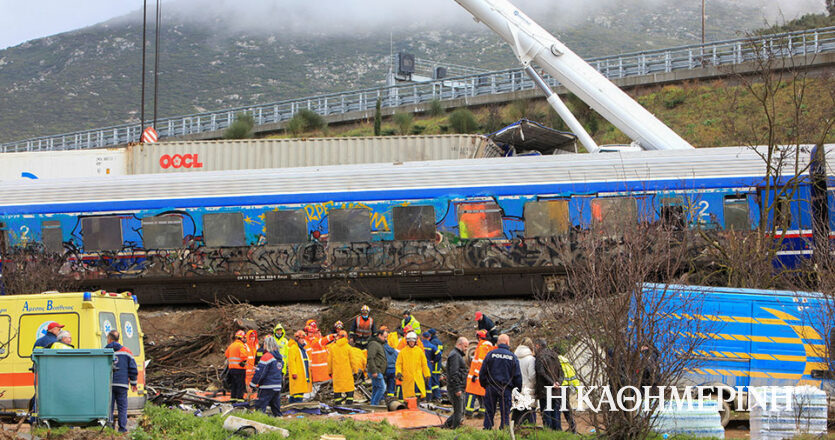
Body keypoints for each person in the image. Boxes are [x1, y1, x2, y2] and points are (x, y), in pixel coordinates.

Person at [479, 334, 522, 431]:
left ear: (498, 342)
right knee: (505, 411)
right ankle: (504, 429)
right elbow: (517, 376)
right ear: (507, 342)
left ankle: (487, 428)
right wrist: (517, 390)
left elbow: (482, 372)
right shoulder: (512, 357)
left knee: (489, 410)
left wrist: (485, 385)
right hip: (506, 388)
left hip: (491, 387)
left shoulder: (490, 354)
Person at [105, 330, 138, 433]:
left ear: (109, 339)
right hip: (122, 384)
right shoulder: (127, 352)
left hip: (109, 384)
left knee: (108, 407)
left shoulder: (104, 351)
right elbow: (133, 368)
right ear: (118, 339)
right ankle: (122, 428)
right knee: (122, 407)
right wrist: (133, 383)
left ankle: (109, 428)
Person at [534, 339, 569, 432]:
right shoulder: (554, 355)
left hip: (544, 390)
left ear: (538, 346)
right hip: (556, 390)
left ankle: (549, 434)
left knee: (546, 414)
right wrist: (558, 383)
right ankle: (558, 434)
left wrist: (551, 383)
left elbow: (540, 372)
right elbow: (561, 372)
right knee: (556, 414)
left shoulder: (540, 357)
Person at [250, 335, 284, 416]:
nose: (263, 346)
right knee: (276, 408)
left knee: (260, 407)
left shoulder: (266, 356)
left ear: (267, 344)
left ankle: (259, 423)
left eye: (264, 344)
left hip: (267, 386)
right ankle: (279, 422)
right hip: (277, 386)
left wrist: (252, 385)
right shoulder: (279, 358)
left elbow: (260, 373)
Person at [465, 329, 494, 417]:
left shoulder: (482, 347)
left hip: (477, 376)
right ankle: (482, 412)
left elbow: (480, 362)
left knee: (471, 393)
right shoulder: (488, 347)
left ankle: (468, 412)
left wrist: (475, 375)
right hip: (484, 376)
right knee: (482, 394)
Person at [442, 337, 469, 429]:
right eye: (465, 346)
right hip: (456, 388)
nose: (466, 348)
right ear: (459, 344)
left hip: (458, 387)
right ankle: (455, 429)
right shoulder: (455, 356)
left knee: (460, 410)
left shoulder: (457, 355)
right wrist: (457, 388)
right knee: (459, 411)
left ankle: (445, 427)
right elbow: (454, 373)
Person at [395, 332, 430, 400]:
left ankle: (419, 404)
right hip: (407, 377)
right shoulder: (403, 352)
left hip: (418, 377)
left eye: (413, 341)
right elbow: (399, 364)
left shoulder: (419, 351)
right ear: (407, 342)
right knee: (408, 396)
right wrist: (398, 373)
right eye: (410, 341)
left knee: (419, 394)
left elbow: (424, 364)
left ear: (415, 341)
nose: (411, 343)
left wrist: (427, 375)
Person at [328, 330, 359, 404]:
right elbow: (353, 361)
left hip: (337, 373)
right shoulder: (348, 347)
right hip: (347, 373)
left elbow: (330, 361)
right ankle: (349, 404)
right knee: (349, 389)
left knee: (337, 390)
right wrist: (356, 371)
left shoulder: (333, 348)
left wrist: (330, 372)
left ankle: (338, 405)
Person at [512, 337, 537, 425]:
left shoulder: (514, 357)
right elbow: (532, 375)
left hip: (516, 389)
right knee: (529, 415)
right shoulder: (531, 359)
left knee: (517, 414)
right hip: (528, 389)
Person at [224, 330, 251, 401]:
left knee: (233, 385)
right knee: (240, 385)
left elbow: (226, 354)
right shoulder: (241, 346)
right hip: (240, 369)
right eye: (244, 338)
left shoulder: (231, 345)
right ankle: (240, 400)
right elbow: (244, 356)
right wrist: (243, 362)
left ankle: (233, 399)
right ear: (242, 338)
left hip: (231, 369)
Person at [286, 330, 312, 403]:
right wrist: (294, 373)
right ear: (297, 339)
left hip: (303, 373)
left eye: (304, 339)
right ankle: (297, 407)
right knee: (298, 392)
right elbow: (291, 362)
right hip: (298, 374)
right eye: (301, 339)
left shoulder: (302, 349)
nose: (303, 340)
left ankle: (291, 405)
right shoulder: (294, 348)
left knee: (298, 392)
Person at [365, 329, 388, 405]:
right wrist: (374, 371)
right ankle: (374, 404)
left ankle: (373, 404)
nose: (385, 339)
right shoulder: (374, 344)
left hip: (378, 370)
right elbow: (370, 358)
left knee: (376, 388)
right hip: (376, 371)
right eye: (384, 337)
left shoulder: (379, 344)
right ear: (379, 335)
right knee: (382, 388)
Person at [421, 331, 442, 401]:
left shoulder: (419, 345)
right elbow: (439, 354)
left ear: (422, 337)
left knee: (420, 381)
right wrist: (434, 361)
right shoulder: (431, 345)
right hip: (428, 365)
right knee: (428, 382)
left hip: (420, 365)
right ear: (429, 337)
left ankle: (421, 397)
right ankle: (428, 398)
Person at [380, 327, 399, 400]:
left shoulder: (382, 349)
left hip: (386, 369)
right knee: (391, 385)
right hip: (393, 369)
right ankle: (391, 399)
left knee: (383, 386)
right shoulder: (394, 350)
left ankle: (382, 400)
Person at [428, 329, 444, 401]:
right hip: (438, 364)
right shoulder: (439, 342)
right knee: (436, 380)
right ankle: (437, 396)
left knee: (434, 381)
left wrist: (433, 361)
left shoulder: (432, 342)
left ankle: (437, 396)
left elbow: (433, 353)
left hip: (434, 364)